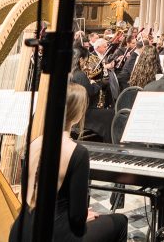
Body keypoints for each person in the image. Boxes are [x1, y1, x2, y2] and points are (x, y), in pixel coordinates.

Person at [11, 84, 127, 242]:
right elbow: (77, 218)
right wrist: (84, 217)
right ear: (78, 114)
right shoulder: (78, 153)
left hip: (21, 231)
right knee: (120, 221)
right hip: (55, 235)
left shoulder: (33, 144)